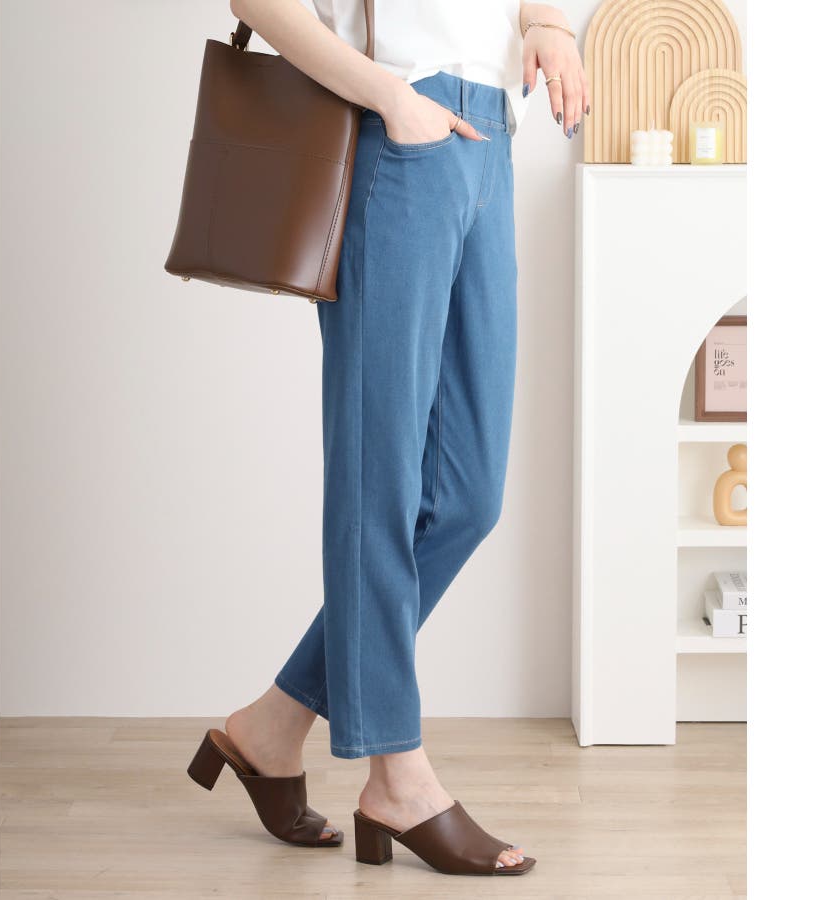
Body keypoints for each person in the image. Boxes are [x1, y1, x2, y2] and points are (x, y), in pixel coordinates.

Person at [188, 0, 587, 876]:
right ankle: (397, 778)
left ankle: (272, 726)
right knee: (382, 481)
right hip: (396, 132)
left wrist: (548, 23)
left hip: (491, 136)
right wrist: (390, 97)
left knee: (466, 497)